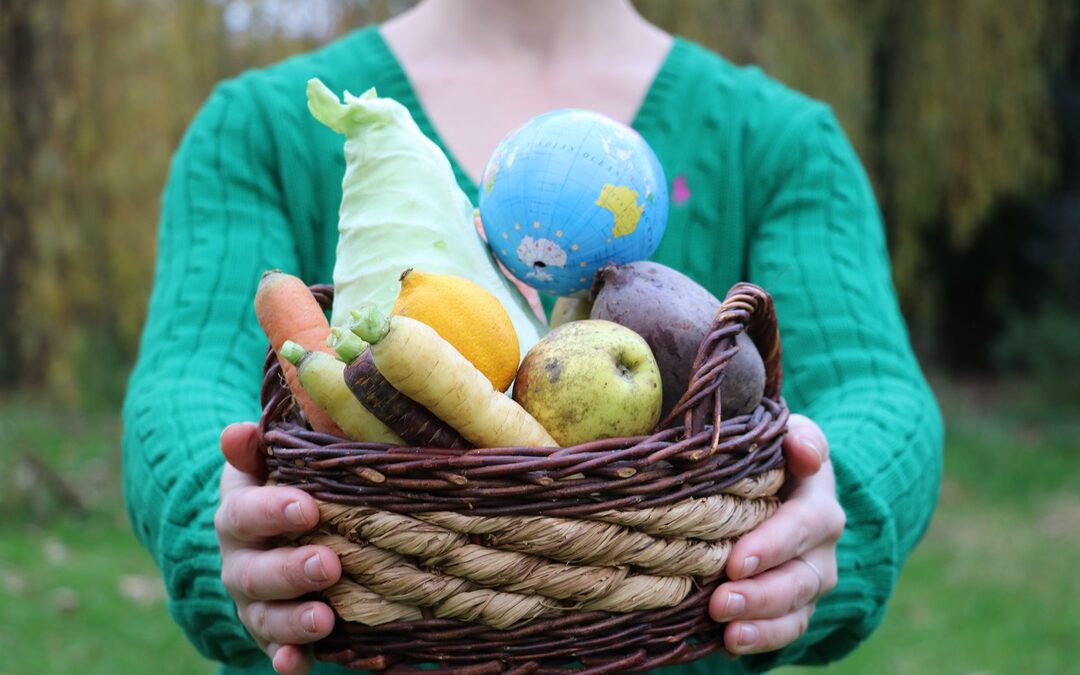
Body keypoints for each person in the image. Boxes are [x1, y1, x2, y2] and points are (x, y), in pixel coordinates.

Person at [121, 1, 944, 674]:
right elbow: (182, 390)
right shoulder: (256, 130)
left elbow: (877, 392)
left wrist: (826, 507)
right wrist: (226, 520)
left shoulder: (777, 141)